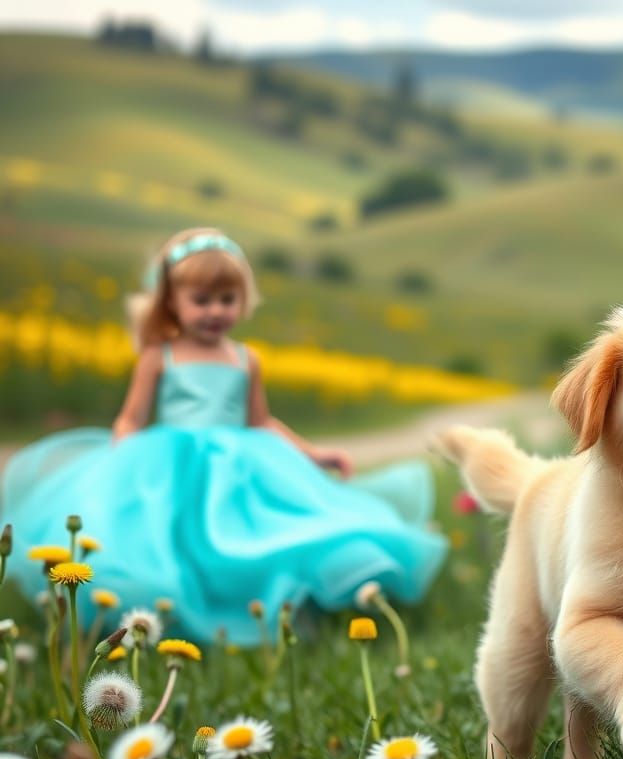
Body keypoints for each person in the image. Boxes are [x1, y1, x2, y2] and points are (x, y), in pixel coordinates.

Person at [0, 228, 448, 644]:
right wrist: (124, 456)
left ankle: (266, 607)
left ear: (243, 301)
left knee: (257, 532)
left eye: (227, 298)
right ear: (171, 302)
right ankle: (174, 613)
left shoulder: (244, 359)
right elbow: (132, 418)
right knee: (176, 540)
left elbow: (260, 422)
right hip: (173, 463)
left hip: (240, 464)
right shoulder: (160, 357)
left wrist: (313, 454)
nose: (216, 310)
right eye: (201, 299)